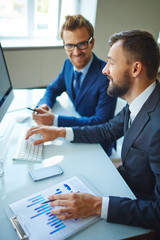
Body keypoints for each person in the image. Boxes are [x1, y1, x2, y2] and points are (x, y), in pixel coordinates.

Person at [26, 30, 160, 237]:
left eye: (112, 63)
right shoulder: (141, 101)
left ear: (135, 69)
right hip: (126, 185)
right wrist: (59, 132)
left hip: (139, 209)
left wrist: (98, 205)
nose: (105, 70)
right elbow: (106, 129)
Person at [32, 14, 116, 156]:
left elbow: (101, 122)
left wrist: (56, 120)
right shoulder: (68, 65)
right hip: (73, 135)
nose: (76, 52)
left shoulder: (106, 76)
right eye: (70, 45)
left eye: (82, 44)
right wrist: (44, 105)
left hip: (96, 145)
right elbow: (53, 88)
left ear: (92, 43)